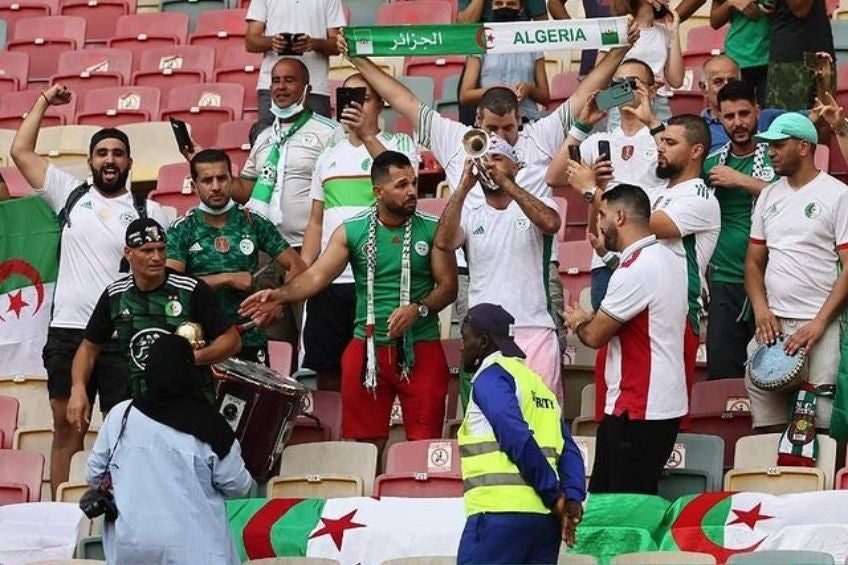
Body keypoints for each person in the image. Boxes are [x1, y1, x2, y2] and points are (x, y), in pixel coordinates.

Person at [338, 20, 639, 350]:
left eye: (508, 128)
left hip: (534, 270)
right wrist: (357, 59)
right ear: (477, 120)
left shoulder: (538, 137)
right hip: (474, 269)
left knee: (544, 358)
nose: (499, 137)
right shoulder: (455, 139)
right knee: (479, 363)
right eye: (491, 127)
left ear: (519, 121)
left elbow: (585, 93)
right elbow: (404, 99)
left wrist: (620, 48)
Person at [241, 152, 457, 460]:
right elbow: (317, 275)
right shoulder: (352, 230)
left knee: (423, 446)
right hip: (368, 347)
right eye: (401, 185)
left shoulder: (431, 228)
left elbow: (449, 286)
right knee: (364, 448)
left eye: (413, 183)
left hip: (419, 347)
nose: (411, 191)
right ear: (378, 191)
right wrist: (280, 295)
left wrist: (418, 308)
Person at [9, 83, 169, 495]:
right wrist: (44, 100)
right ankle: (62, 513)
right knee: (66, 429)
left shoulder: (150, 213)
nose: (110, 160)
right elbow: (20, 152)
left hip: (120, 336)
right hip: (67, 331)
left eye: (118, 153)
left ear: (131, 162)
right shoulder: (70, 193)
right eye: (102, 153)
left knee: (121, 430)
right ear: (90, 160)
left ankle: (120, 507)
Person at [563, 183, 687, 494]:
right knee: (637, 500)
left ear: (619, 217)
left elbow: (594, 336)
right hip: (663, 405)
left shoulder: (634, 271)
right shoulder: (672, 255)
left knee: (620, 511)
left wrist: (579, 322)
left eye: (602, 214)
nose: (598, 222)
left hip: (635, 409)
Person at [86, 333, 253, 564]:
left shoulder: (120, 415)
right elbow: (239, 485)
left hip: (133, 547)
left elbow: (95, 475)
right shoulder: (211, 425)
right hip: (197, 550)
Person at [301, 73, 418, 391]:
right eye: (349, 97)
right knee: (326, 369)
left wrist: (367, 136)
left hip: (378, 280)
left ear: (381, 102)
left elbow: (400, 180)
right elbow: (315, 221)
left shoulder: (399, 145)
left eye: (364, 97)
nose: (356, 105)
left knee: (378, 366)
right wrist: (304, 272)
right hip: (330, 282)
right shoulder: (327, 157)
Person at [67, 218, 242, 432]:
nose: (157, 257)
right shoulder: (115, 295)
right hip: (139, 406)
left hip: (189, 404)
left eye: (161, 249)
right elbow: (88, 348)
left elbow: (231, 340)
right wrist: (78, 388)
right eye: (147, 250)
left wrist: (191, 359)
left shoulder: (190, 289)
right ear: (128, 253)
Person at [435, 137, 562, 407]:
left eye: (497, 157)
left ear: (516, 166)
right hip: (487, 338)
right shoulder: (472, 216)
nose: (488, 163)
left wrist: (507, 183)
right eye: (484, 157)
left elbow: (550, 223)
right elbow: (444, 242)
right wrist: (462, 188)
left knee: (542, 418)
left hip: (534, 329)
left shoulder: (539, 204)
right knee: (489, 420)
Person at [457, 303, 585, 564]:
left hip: (497, 518)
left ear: (482, 342)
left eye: (465, 338)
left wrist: (555, 496)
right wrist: (572, 498)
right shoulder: (538, 385)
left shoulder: (490, 378)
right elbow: (569, 449)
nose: (461, 347)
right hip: (543, 524)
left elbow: (516, 438)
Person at [745, 113, 848, 433]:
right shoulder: (768, 195)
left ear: (804, 147)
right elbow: (752, 263)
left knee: (821, 422)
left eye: (778, 145)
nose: (770, 152)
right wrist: (761, 310)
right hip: (773, 325)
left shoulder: (838, 194)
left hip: (822, 326)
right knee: (765, 418)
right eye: (769, 146)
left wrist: (818, 323)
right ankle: (770, 482)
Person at [237, 57, 343, 346]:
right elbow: (247, 188)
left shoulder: (330, 132)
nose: (281, 87)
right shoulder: (263, 138)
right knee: (274, 342)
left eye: (289, 80)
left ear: (307, 88)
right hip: (266, 253)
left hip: (308, 253)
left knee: (311, 340)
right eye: (276, 80)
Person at [166, 149, 307, 365]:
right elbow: (171, 286)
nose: (215, 187)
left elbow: (297, 265)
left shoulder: (253, 222)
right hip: (201, 343)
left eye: (222, 178)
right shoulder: (182, 228)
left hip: (250, 339)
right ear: (194, 186)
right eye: (207, 180)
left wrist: (279, 301)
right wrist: (226, 278)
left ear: (232, 181)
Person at [547, 58, 664, 310]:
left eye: (631, 84)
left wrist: (650, 118)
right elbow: (554, 176)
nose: (622, 90)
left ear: (652, 90)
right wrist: (582, 125)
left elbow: (680, 163)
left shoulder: (663, 136)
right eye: (616, 84)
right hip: (605, 257)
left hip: (650, 255)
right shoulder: (599, 140)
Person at [702, 80, 775, 380]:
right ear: (718, 117)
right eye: (729, 116)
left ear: (757, 111)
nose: (738, 123)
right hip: (724, 280)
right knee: (723, 374)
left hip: (771, 281)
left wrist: (741, 181)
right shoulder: (710, 164)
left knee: (771, 371)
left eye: (744, 114)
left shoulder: (777, 156)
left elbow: (791, 197)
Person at [245, 0, 344, 132]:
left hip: (314, 87)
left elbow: (338, 45)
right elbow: (250, 42)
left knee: (320, 143)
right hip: (273, 86)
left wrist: (314, 44)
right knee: (267, 142)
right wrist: (272, 43)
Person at [598, 0, 684, 129]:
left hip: (658, 101)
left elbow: (676, 81)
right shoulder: (616, 30)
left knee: (660, 146)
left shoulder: (664, 31)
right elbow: (600, 76)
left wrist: (674, 33)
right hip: (623, 99)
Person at [458, 0, 550, 122]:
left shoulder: (532, 44)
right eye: (498, 4)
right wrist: (497, 91)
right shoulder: (481, 42)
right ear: (492, 6)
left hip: (527, 119)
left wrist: (529, 89)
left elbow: (545, 96)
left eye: (511, 4)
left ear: (521, 8)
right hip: (490, 120)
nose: (504, 8)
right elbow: (465, 95)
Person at [699, 56, 783, 152]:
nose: (727, 87)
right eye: (718, 82)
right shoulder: (699, 130)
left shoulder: (769, 118)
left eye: (732, 81)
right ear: (703, 88)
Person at [766, 0, 834, 111]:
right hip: (792, 59)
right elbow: (799, 9)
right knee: (791, 124)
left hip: (820, 50)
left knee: (827, 120)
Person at [709, 0, 772, 106]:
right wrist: (731, 3)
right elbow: (715, 22)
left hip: (770, 58)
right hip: (737, 58)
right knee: (736, 109)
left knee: (769, 114)